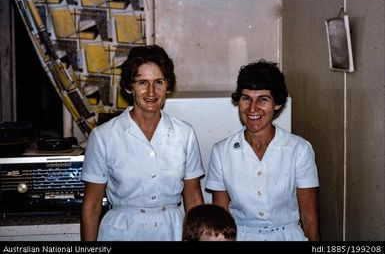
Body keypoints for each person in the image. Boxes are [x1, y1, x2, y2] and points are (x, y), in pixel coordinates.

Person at [81, 45, 205, 241]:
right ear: (130, 87)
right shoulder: (103, 136)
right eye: (142, 83)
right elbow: (92, 203)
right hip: (121, 232)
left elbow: (193, 197)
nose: (151, 92)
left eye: (159, 82)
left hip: (171, 231)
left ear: (168, 85)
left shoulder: (185, 134)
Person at [205, 59, 320, 241]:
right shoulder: (222, 151)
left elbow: (309, 219)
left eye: (262, 100)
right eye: (246, 99)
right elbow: (220, 219)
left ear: (277, 103)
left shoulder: (299, 149)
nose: (252, 108)